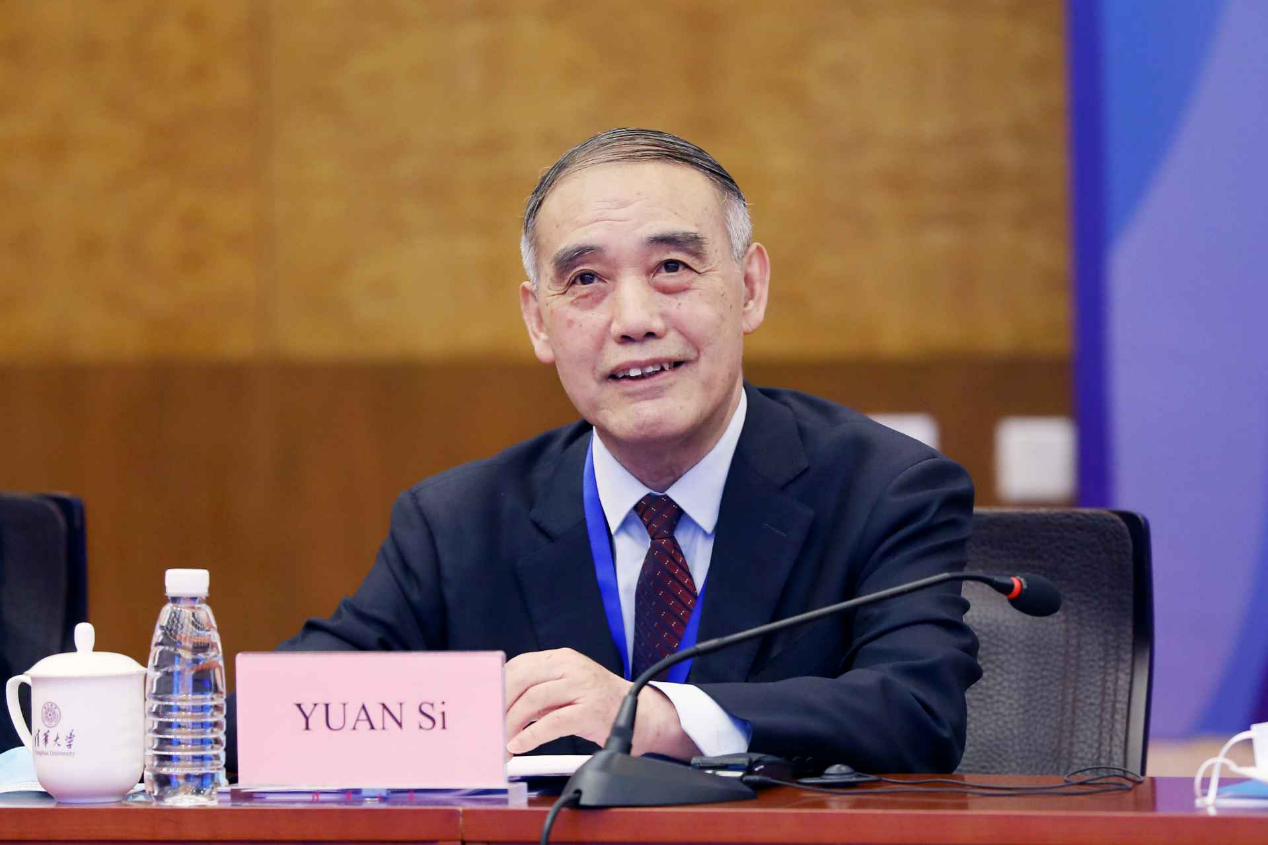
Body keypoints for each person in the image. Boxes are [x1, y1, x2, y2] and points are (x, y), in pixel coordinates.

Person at [229, 128, 980, 774]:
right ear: (539, 322)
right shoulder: (457, 523)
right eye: (586, 279)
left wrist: (660, 717)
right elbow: (275, 715)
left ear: (750, 288)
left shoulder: (885, 489)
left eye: (672, 268)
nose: (634, 319)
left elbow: (918, 710)